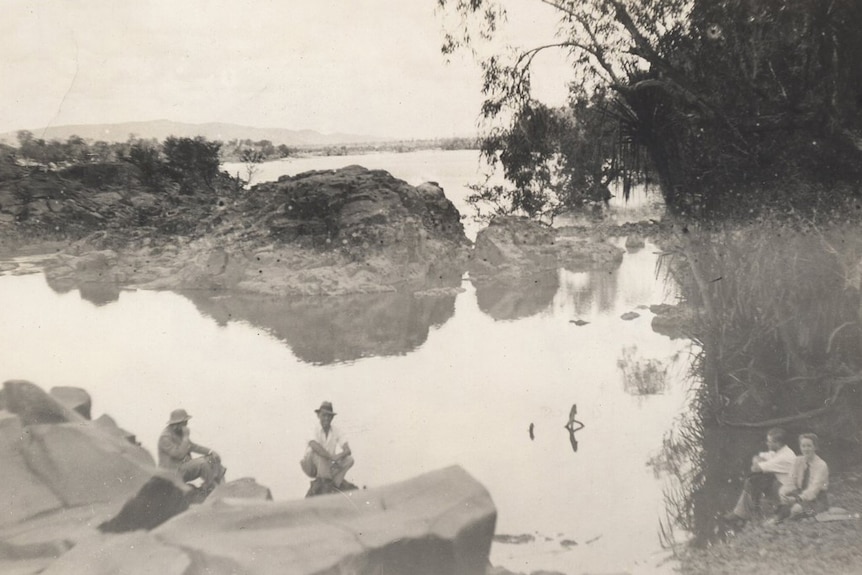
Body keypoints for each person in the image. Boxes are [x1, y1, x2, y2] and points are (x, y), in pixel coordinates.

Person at [723, 427, 796, 525]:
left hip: (788, 493)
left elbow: (755, 468)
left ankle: (745, 513)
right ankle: (743, 513)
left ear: (777, 443)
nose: (767, 443)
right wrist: (759, 462)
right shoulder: (780, 451)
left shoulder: (784, 457)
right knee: (755, 479)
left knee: (755, 479)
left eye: (769, 441)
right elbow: (757, 457)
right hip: (781, 486)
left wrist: (759, 463)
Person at [158, 408, 225, 493]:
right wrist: (185, 437)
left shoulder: (178, 434)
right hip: (172, 473)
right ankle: (212, 488)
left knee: (211, 459)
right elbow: (179, 454)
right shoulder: (165, 437)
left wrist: (210, 452)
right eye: (184, 423)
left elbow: (192, 446)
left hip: (182, 468)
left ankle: (221, 486)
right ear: (177, 424)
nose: (186, 425)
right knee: (203, 463)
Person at [300, 401, 355, 492]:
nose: (326, 418)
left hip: (328, 463)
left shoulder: (336, 430)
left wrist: (338, 457)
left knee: (349, 459)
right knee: (320, 455)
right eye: (324, 415)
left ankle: (334, 485)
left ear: (332, 417)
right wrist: (332, 458)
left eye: (329, 416)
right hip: (311, 465)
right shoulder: (312, 428)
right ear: (318, 416)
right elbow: (316, 447)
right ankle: (325, 484)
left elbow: (347, 450)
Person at [777, 432, 829, 520]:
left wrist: (796, 499)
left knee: (796, 510)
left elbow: (813, 490)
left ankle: (794, 515)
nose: (806, 449)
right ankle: (780, 518)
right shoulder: (797, 461)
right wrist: (783, 493)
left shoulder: (821, 465)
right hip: (799, 494)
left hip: (816, 499)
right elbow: (790, 482)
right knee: (785, 505)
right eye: (803, 446)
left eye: (809, 446)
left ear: (815, 447)